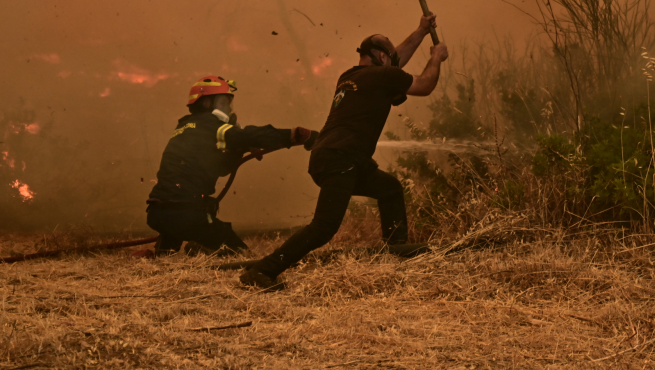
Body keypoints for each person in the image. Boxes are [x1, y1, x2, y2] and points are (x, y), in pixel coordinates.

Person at [240, 14, 448, 289]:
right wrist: (436, 57)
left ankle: (396, 257)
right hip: (341, 157)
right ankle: (262, 271)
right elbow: (424, 85)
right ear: (382, 57)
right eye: (390, 57)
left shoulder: (352, 76)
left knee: (389, 189)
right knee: (325, 227)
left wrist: (421, 32)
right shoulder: (380, 75)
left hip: (336, 156)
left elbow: (393, 64)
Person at [146, 76, 317, 256]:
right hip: (186, 215)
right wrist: (294, 135)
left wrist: (240, 148)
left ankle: (166, 249)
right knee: (241, 255)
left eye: (229, 103)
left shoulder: (186, 127)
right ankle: (201, 249)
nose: (228, 108)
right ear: (206, 103)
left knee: (176, 233)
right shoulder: (210, 125)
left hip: (159, 213)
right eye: (223, 102)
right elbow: (250, 134)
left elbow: (219, 168)